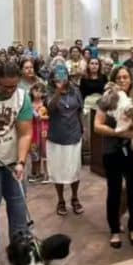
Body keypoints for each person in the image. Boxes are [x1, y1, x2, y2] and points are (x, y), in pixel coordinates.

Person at [94, 66, 133, 248]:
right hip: (112, 150)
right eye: (119, 78)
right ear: (114, 80)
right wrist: (119, 133)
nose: (122, 80)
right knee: (114, 191)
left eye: (125, 77)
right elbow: (97, 126)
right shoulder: (106, 100)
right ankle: (114, 229)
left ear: (131, 80)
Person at [0, 61, 33, 247]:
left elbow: (25, 134)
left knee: (19, 210)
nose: (10, 90)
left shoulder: (22, 97)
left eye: (14, 86)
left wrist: (21, 162)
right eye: (5, 86)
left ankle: (21, 256)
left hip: (12, 162)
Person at [46, 64, 85, 216]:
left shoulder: (75, 90)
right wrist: (57, 91)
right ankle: (61, 200)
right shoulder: (49, 91)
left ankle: (75, 198)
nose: (61, 79)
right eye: (57, 77)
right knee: (58, 170)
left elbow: (79, 110)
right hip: (56, 137)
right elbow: (49, 109)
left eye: (63, 77)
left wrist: (83, 129)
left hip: (74, 134)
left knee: (74, 169)